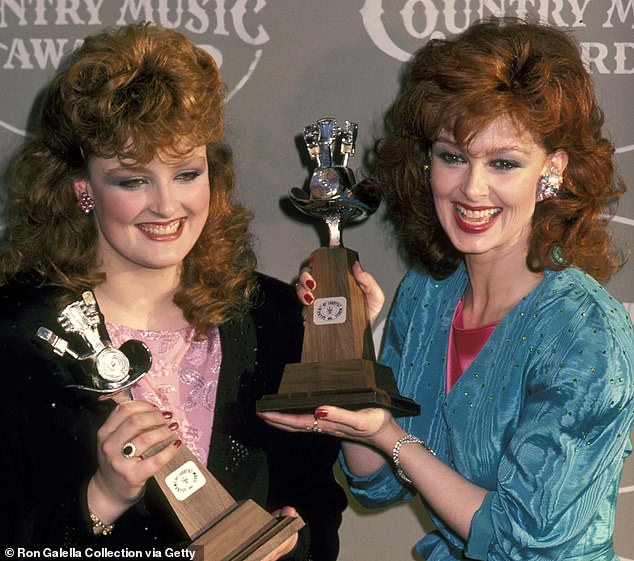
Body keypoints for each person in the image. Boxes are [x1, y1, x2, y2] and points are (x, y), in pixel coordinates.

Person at [259, 17, 634, 561]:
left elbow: (523, 543)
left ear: (551, 171)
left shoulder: (585, 333)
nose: (472, 188)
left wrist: (392, 436)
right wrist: (351, 353)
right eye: (453, 156)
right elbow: (374, 482)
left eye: (504, 163)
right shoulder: (427, 295)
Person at [0, 22, 345, 560]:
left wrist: (292, 540)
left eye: (186, 173)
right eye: (133, 180)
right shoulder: (17, 333)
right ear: (83, 188)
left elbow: (316, 497)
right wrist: (101, 498)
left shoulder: (273, 319)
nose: (167, 206)